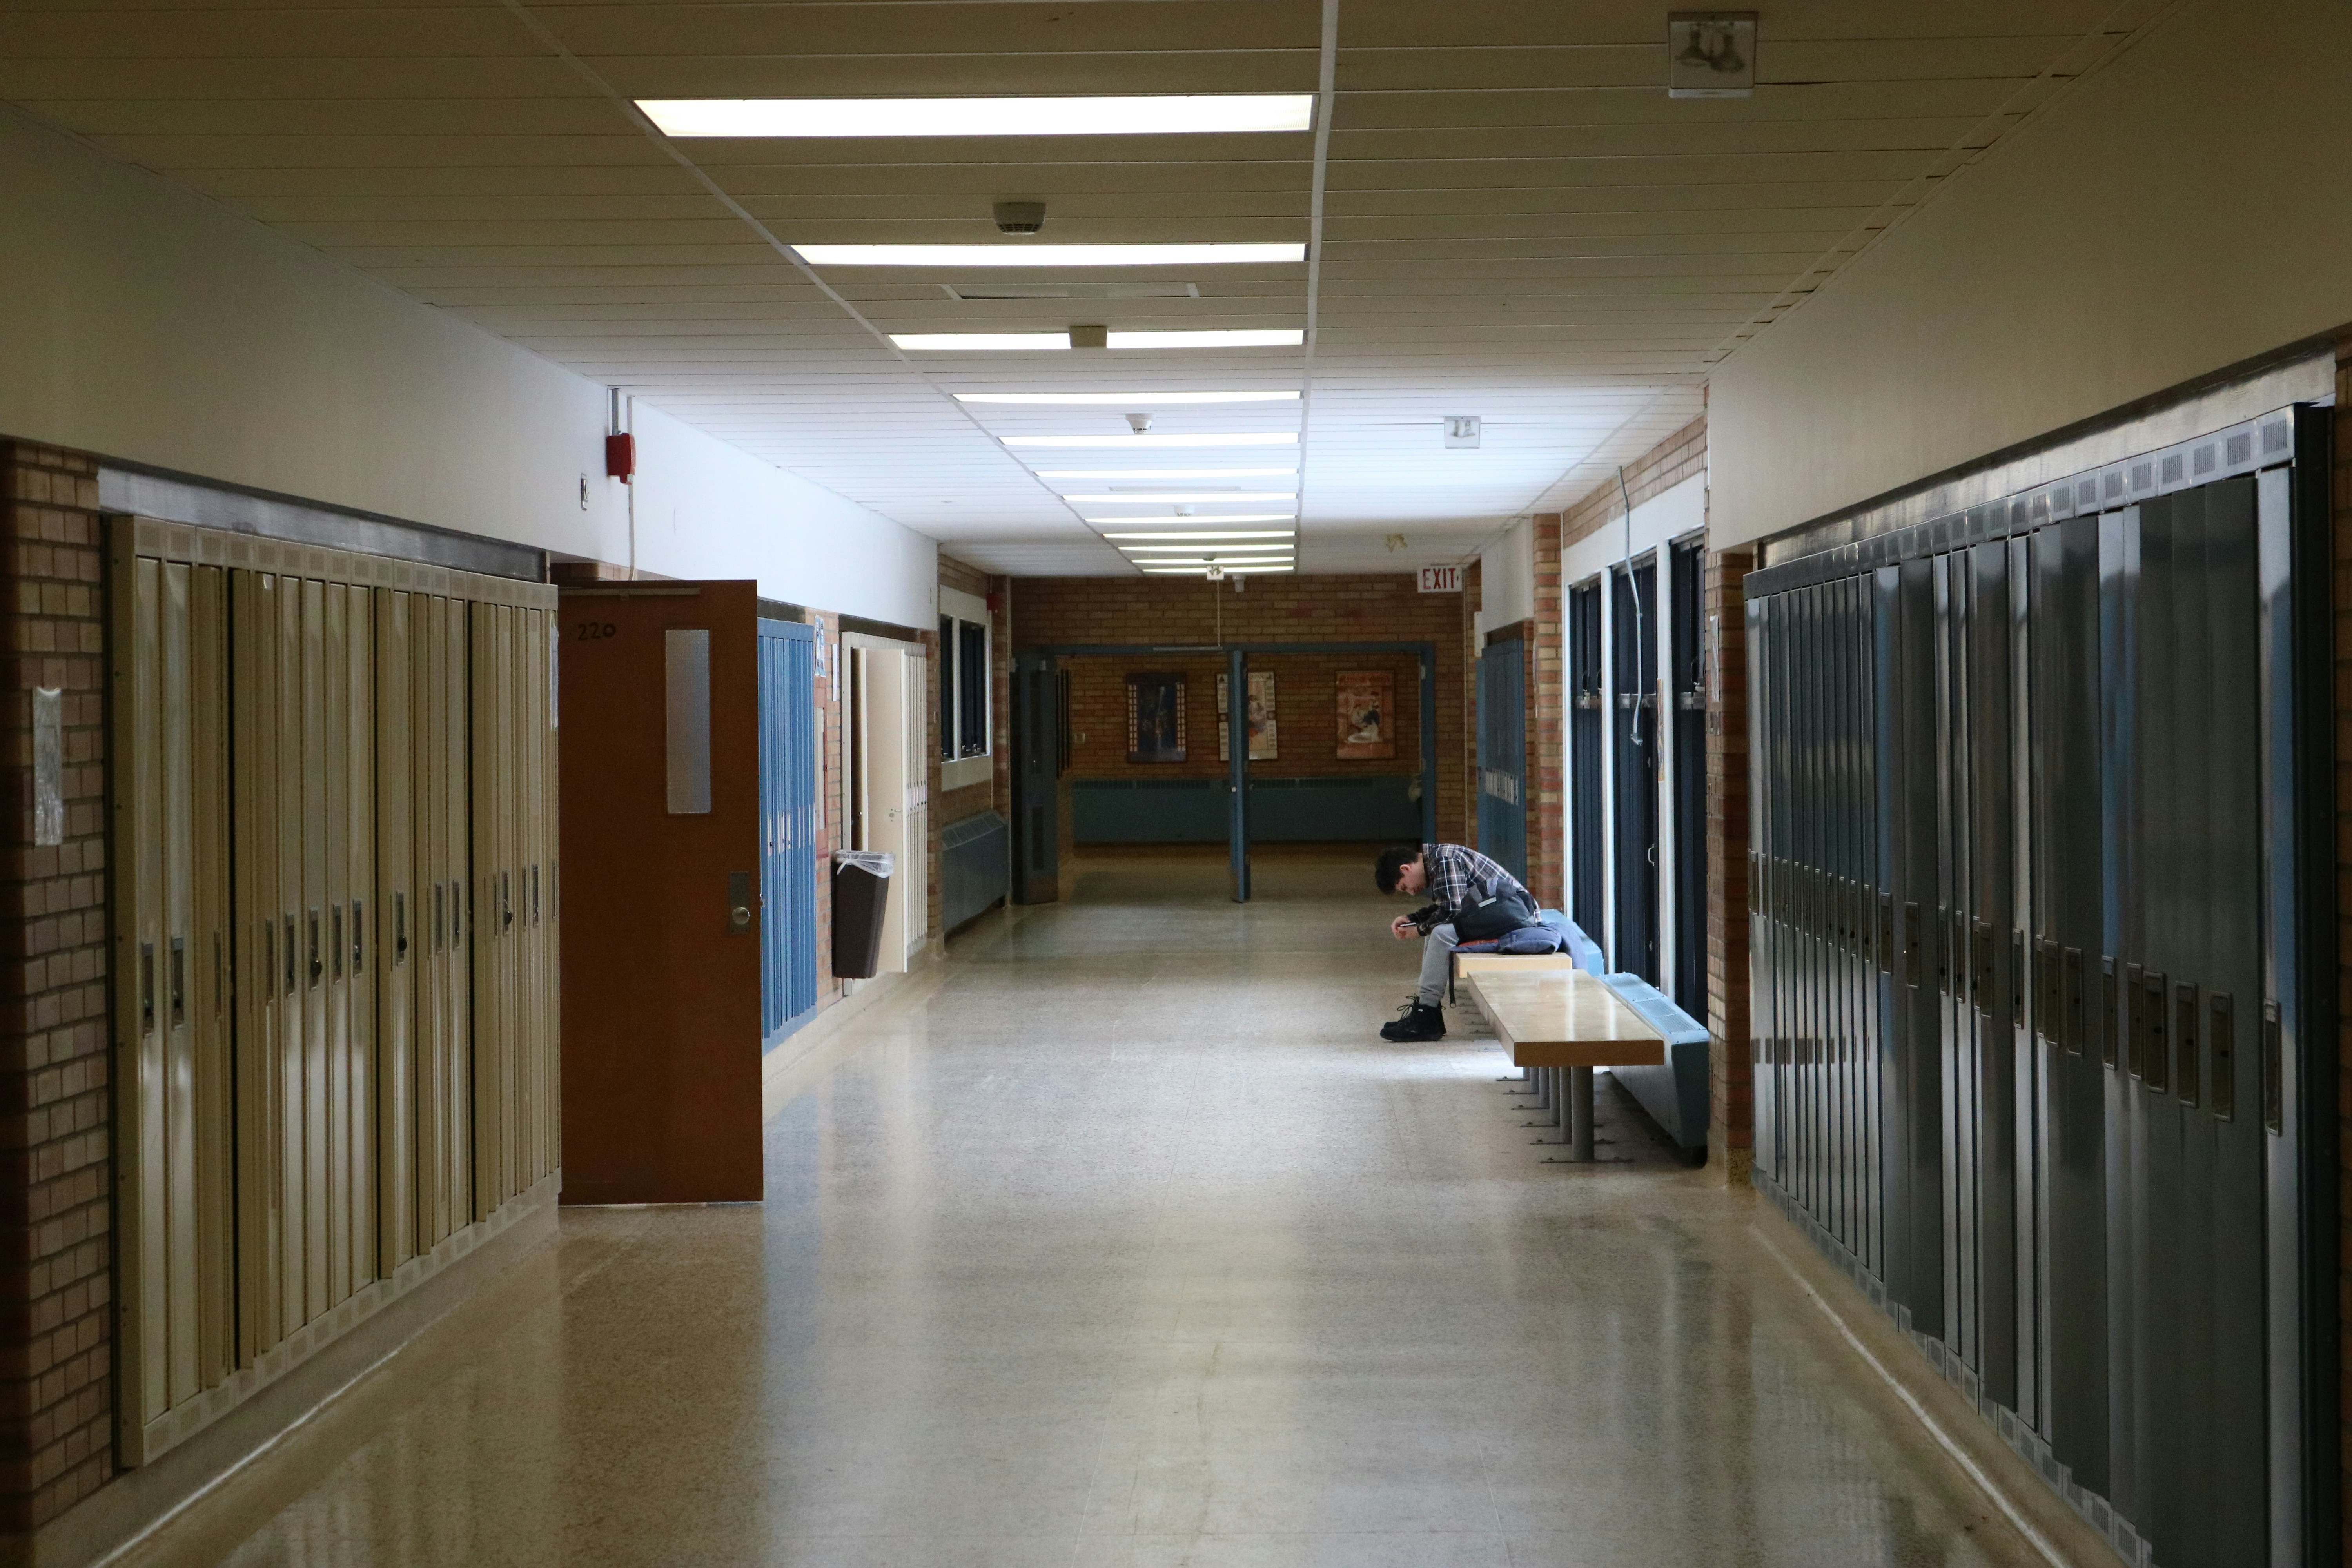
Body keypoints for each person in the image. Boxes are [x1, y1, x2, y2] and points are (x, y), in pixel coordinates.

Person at [1372, 842, 1530, 1042]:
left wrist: (1419, 930)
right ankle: (1428, 1013)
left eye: (1405, 887)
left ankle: (1426, 1014)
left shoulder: (1444, 860)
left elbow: (1453, 911)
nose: (1412, 892)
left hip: (1516, 920)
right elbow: (1447, 906)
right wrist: (1414, 919)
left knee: (1440, 934)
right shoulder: (1439, 860)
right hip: (1500, 915)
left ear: (1406, 869)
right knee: (1437, 932)